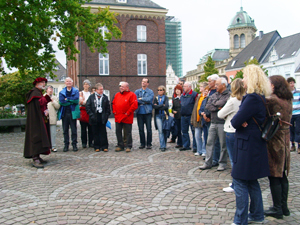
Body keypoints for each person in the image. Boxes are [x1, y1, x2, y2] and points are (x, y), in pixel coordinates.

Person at [230, 64, 272, 225]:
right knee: (251, 181)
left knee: (240, 180)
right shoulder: (259, 97)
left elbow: (235, 121)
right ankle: (257, 214)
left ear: (252, 79)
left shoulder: (252, 98)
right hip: (254, 144)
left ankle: (240, 220)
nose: (243, 79)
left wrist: (241, 121)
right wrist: (242, 121)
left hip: (247, 145)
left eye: (246, 76)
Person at [264, 75, 293, 219]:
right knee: (282, 174)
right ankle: (284, 206)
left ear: (273, 86)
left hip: (275, 138)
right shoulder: (288, 99)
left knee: (275, 173)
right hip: (285, 137)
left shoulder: (273, 99)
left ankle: (277, 208)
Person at [217, 78, 245, 192]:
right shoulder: (246, 98)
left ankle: (236, 184)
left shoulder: (233, 100)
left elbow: (220, 113)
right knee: (240, 159)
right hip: (241, 131)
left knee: (234, 159)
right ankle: (239, 181)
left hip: (231, 130)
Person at [199, 77, 230, 171]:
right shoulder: (214, 94)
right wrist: (217, 106)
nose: (215, 86)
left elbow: (224, 104)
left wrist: (215, 105)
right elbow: (208, 106)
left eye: (217, 84)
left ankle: (222, 163)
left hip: (222, 122)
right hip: (213, 122)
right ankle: (208, 162)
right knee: (209, 143)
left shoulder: (228, 95)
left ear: (223, 85)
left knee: (222, 145)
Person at [24, 77, 51, 168]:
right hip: (35, 120)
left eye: (44, 82)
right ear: (37, 83)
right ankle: (35, 156)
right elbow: (39, 104)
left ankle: (38, 155)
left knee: (40, 135)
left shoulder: (38, 92)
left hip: (40, 118)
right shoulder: (34, 93)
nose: (44, 84)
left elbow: (41, 103)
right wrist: (46, 97)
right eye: (42, 82)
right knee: (36, 135)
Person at [112, 82, 138, 152]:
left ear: (127, 87)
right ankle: (120, 145)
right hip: (118, 116)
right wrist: (114, 111)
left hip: (127, 117)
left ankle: (128, 146)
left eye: (122, 86)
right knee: (118, 131)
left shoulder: (132, 95)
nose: (121, 87)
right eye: (120, 86)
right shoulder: (117, 95)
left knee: (128, 132)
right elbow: (113, 103)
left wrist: (127, 113)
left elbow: (134, 105)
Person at [86, 83, 111, 152]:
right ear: (96, 90)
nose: (101, 91)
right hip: (94, 116)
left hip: (102, 116)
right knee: (95, 132)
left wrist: (106, 116)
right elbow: (88, 107)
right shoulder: (91, 97)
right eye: (100, 89)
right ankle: (96, 146)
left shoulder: (105, 97)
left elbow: (108, 108)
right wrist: (91, 115)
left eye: (102, 89)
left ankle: (104, 146)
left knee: (103, 132)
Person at [58, 77, 80, 152]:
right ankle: (66, 145)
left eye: (70, 81)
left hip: (73, 112)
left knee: (74, 129)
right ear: (65, 83)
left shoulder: (76, 91)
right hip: (65, 113)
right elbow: (61, 102)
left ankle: (74, 144)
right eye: (67, 81)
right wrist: (71, 100)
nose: (68, 83)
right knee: (65, 130)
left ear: (72, 82)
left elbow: (76, 100)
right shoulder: (62, 92)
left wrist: (67, 99)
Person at [135, 78, 154, 149]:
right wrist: (144, 100)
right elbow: (135, 100)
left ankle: (149, 143)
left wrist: (141, 99)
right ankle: (142, 143)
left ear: (147, 84)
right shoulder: (137, 91)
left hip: (147, 112)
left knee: (149, 129)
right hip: (139, 112)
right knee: (141, 129)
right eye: (142, 81)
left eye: (145, 82)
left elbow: (149, 99)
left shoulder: (150, 91)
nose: (143, 83)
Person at [191, 82, 208, 156]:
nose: (199, 88)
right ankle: (199, 150)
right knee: (197, 135)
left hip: (203, 118)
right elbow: (195, 108)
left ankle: (204, 150)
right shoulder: (199, 96)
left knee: (205, 136)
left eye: (201, 86)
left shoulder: (207, 97)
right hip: (197, 118)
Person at [180, 82, 198, 151]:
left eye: (185, 86)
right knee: (184, 131)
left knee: (193, 131)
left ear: (189, 87)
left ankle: (195, 146)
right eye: (183, 86)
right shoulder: (183, 95)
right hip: (183, 115)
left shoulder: (194, 94)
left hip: (190, 115)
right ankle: (186, 145)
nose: (183, 88)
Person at [153, 85, 169, 151]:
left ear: (164, 91)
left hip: (165, 116)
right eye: (158, 90)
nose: (159, 91)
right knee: (160, 131)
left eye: (161, 90)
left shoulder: (166, 98)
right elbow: (154, 107)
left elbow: (167, 106)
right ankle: (162, 146)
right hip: (158, 116)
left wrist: (158, 106)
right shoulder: (156, 98)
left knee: (165, 130)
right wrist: (162, 105)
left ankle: (164, 144)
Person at [287, 77, 300, 153]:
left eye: (293, 83)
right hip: (291, 114)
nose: (292, 84)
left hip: (298, 113)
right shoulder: (287, 93)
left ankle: (299, 146)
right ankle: (292, 145)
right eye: (290, 83)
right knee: (291, 130)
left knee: (298, 130)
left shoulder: (298, 92)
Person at [79, 79, 94, 148]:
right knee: (83, 129)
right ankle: (84, 143)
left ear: (89, 86)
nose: (86, 86)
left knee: (90, 129)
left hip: (89, 112)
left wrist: (87, 103)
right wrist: (88, 103)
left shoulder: (91, 94)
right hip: (83, 112)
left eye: (87, 84)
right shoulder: (81, 93)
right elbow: (81, 102)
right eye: (85, 84)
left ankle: (90, 142)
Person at [46, 85, 60, 152]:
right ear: (46, 90)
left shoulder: (54, 97)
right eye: (49, 89)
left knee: (53, 133)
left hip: (52, 117)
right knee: (45, 133)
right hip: (45, 118)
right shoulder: (43, 97)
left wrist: (53, 101)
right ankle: (46, 147)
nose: (51, 90)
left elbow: (58, 106)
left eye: (52, 89)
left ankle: (53, 146)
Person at [198, 86, 210, 158]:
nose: (205, 92)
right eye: (204, 91)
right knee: (205, 137)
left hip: (208, 119)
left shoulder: (210, 99)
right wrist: (201, 113)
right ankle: (205, 152)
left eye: (206, 91)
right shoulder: (204, 100)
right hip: (204, 120)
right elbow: (200, 110)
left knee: (209, 138)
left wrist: (205, 114)